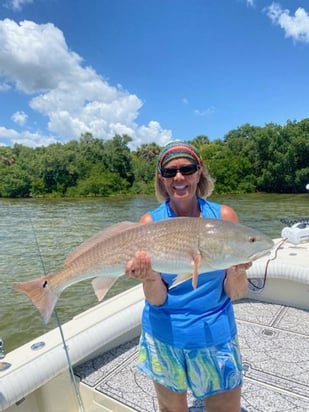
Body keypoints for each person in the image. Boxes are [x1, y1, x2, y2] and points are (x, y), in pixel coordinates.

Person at [125, 141, 250, 412]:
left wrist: (238, 270)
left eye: (187, 168)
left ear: (199, 172)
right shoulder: (150, 223)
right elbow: (157, 299)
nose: (179, 177)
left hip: (214, 334)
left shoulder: (224, 216)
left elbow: (235, 292)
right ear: (161, 178)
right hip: (164, 334)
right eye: (170, 172)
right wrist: (148, 277)